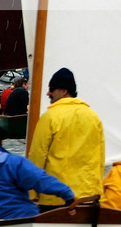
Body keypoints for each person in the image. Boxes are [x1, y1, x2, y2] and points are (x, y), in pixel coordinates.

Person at [0, 123, 73, 221]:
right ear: (0, 142)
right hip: (22, 216)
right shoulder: (15, 162)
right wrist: (68, 195)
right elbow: (41, 180)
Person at [27, 67, 104, 207]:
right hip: (88, 197)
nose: (48, 93)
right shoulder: (93, 117)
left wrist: (32, 193)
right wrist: (98, 192)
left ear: (64, 91)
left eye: (52, 89)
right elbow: (100, 158)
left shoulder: (49, 117)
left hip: (55, 199)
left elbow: (37, 157)